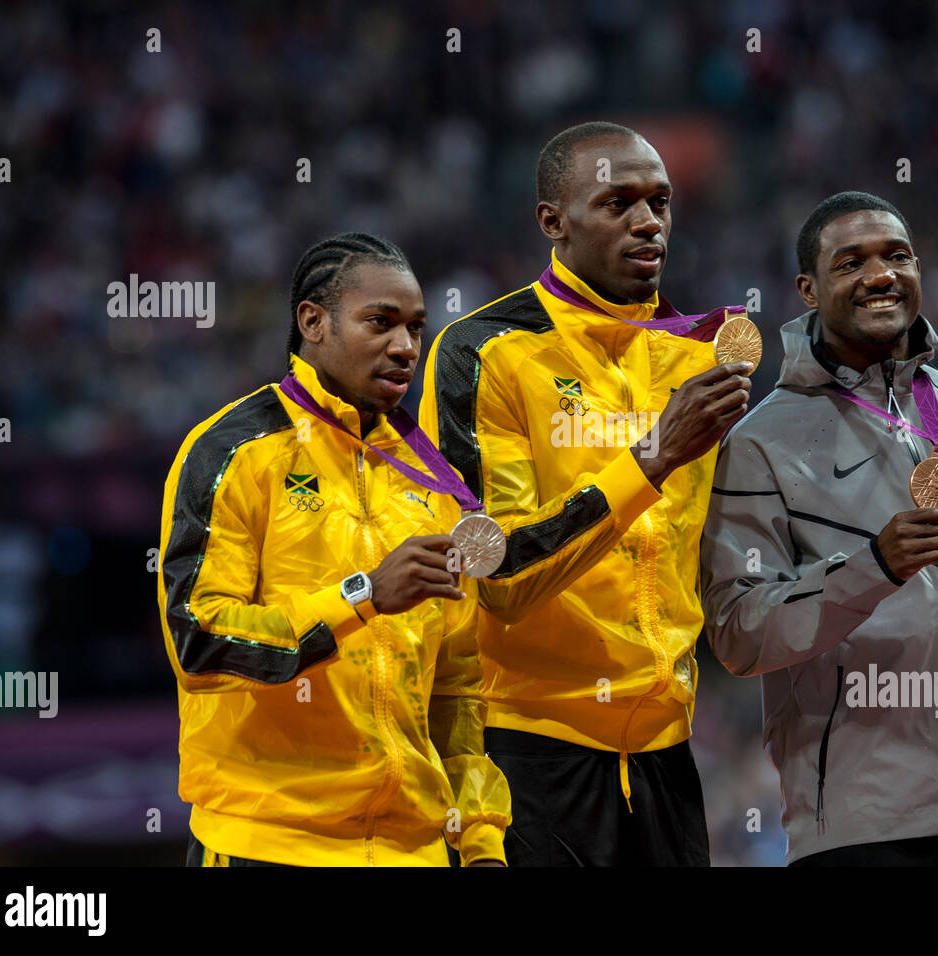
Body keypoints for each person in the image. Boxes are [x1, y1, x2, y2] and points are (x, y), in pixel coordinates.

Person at [700, 190, 938, 866]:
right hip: (863, 831)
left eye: (896, 256)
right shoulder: (760, 444)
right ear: (807, 289)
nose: (880, 275)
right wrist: (872, 569)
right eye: (851, 263)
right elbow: (738, 632)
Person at [418, 122, 753, 866]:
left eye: (660, 203)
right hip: (532, 748)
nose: (648, 222)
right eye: (618, 202)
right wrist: (654, 457)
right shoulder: (485, 351)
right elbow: (495, 573)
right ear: (552, 221)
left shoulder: (699, 355)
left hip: (668, 750)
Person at [157, 233, 511, 866]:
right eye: (380, 323)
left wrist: (481, 841)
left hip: (414, 851)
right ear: (313, 322)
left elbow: (456, 686)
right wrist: (364, 597)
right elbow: (200, 645)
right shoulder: (233, 452)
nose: (405, 348)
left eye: (416, 328)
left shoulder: (436, 481)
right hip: (267, 842)